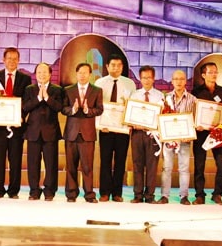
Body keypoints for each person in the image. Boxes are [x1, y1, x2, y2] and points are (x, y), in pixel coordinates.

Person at [0, 47, 32, 199]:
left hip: (16, 127)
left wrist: (22, 115)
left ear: (19, 61)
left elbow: (27, 101)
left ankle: (14, 191)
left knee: (15, 160)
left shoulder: (25, 79)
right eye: (9, 58)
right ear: (3, 60)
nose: (12, 61)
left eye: (15, 59)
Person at [94, 54, 136, 202]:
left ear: (122, 67)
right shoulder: (99, 83)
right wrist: (100, 125)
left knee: (120, 161)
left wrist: (130, 122)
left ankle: (117, 193)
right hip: (105, 128)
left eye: (119, 65)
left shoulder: (130, 84)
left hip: (123, 129)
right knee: (105, 160)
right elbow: (96, 106)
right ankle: (104, 192)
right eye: (113, 65)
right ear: (107, 66)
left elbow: (133, 106)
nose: (116, 68)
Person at [62, 62, 103, 203]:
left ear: (90, 75)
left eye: (86, 73)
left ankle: (89, 194)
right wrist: (72, 110)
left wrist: (87, 111)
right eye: (80, 72)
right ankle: (71, 194)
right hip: (71, 133)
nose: (83, 75)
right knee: (71, 166)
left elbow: (100, 109)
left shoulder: (97, 90)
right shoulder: (68, 90)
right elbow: (63, 108)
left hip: (87, 134)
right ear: (76, 74)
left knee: (87, 166)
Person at [22, 62, 63, 201]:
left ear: (50, 74)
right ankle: (34, 191)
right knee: (33, 163)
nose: (42, 75)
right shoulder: (29, 89)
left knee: (51, 164)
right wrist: (39, 98)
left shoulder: (57, 89)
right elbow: (25, 107)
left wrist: (47, 98)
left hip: (50, 131)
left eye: (45, 72)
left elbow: (59, 108)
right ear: (35, 74)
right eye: (39, 72)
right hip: (33, 131)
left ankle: (49, 191)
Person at [191, 62, 222, 205]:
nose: (214, 74)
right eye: (211, 72)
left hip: (218, 133)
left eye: (216, 72)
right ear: (203, 75)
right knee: (199, 164)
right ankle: (200, 195)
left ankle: (218, 193)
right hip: (201, 133)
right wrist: (196, 123)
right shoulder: (195, 92)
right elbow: (193, 112)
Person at [157, 70, 196, 205]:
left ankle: (184, 196)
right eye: (176, 79)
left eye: (181, 79)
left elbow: (195, 120)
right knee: (166, 168)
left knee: (184, 168)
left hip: (185, 140)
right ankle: (164, 196)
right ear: (172, 81)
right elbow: (160, 119)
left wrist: (190, 134)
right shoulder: (165, 99)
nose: (179, 82)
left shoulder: (192, 99)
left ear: (185, 81)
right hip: (168, 140)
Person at [128, 65, 163, 204]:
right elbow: (129, 114)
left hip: (153, 135)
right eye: (143, 77)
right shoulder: (134, 95)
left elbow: (161, 115)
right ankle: (137, 195)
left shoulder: (159, 96)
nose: (146, 80)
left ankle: (149, 195)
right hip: (137, 134)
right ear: (140, 79)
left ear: (153, 78)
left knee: (152, 165)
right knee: (137, 164)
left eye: (149, 77)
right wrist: (131, 122)